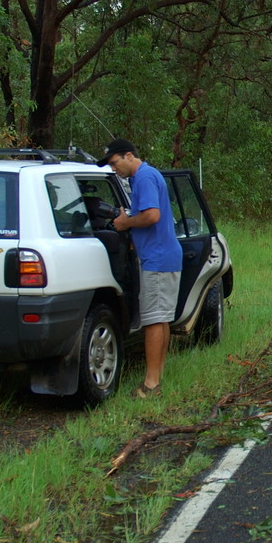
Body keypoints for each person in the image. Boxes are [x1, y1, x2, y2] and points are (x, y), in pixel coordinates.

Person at [98, 138, 183, 398]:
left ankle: (151, 384)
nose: (114, 169)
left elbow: (152, 216)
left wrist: (125, 223)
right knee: (162, 319)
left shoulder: (144, 177)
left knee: (154, 320)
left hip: (157, 259)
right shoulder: (144, 177)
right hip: (163, 256)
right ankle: (156, 376)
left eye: (115, 163)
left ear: (128, 156)